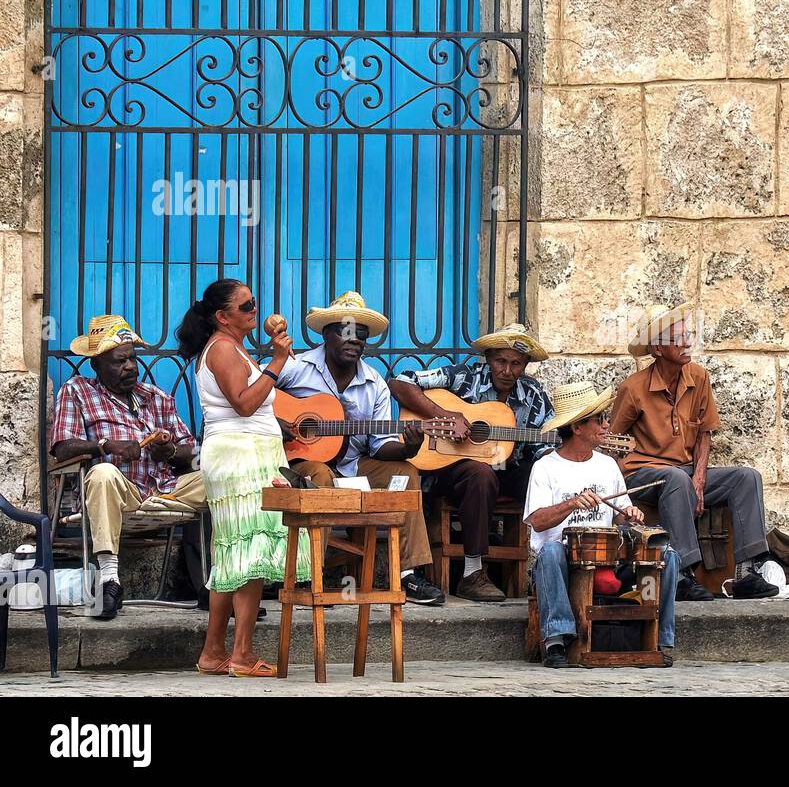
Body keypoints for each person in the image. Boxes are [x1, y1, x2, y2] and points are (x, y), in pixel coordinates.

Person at [178, 279, 312, 677]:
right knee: (249, 554)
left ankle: (213, 653)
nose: (255, 309)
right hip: (240, 458)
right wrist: (276, 362)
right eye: (246, 305)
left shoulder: (231, 347)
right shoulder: (221, 349)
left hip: (246, 455)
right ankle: (242, 654)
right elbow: (243, 403)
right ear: (222, 316)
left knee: (232, 553)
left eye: (254, 302)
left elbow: (251, 405)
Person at [274, 291, 443, 605]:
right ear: (326, 334)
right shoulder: (295, 367)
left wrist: (408, 448)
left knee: (406, 473)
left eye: (361, 335)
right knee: (319, 480)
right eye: (346, 332)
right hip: (302, 462)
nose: (354, 341)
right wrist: (277, 422)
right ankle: (309, 575)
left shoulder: (374, 383)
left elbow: (379, 447)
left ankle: (408, 575)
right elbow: (249, 391)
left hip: (354, 466)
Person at [610, 304, 778, 601]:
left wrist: (699, 480)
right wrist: (619, 488)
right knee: (675, 478)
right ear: (658, 349)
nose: (687, 342)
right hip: (642, 476)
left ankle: (747, 573)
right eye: (677, 338)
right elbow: (611, 441)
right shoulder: (633, 388)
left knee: (746, 477)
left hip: (685, 474)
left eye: (688, 335)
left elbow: (704, 434)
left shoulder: (698, 377)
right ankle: (682, 574)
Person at [49, 315, 201, 619]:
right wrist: (106, 446)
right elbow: (62, 447)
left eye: (132, 358)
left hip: (166, 490)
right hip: (119, 493)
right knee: (104, 472)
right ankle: (110, 581)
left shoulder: (156, 398)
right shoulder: (78, 391)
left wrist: (170, 451)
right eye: (119, 361)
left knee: (220, 478)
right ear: (96, 364)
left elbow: (193, 452)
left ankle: (219, 583)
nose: (130, 367)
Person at [389, 323, 554, 602]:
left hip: (506, 468)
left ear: (525, 365)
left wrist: (557, 464)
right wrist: (445, 416)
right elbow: (400, 381)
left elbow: (544, 445)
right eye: (501, 361)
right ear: (488, 358)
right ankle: (472, 573)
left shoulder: (533, 393)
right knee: (481, 472)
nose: (507, 370)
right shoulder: (463, 376)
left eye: (516, 364)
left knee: (545, 476)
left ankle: (552, 568)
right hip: (451, 471)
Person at [524, 381, 679, 668]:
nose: (607, 424)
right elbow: (537, 521)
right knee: (549, 553)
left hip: (608, 556)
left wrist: (629, 513)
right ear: (577, 428)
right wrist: (570, 504)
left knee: (665, 555)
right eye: (600, 419)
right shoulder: (546, 466)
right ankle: (557, 638)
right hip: (565, 562)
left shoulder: (607, 465)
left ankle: (657, 636)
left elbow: (618, 517)